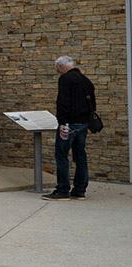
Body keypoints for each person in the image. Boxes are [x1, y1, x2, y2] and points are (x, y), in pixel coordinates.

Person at [44, 55, 96, 201]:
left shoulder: (66, 79)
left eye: (57, 69)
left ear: (61, 67)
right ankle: (79, 190)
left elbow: (63, 102)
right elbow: (93, 104)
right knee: (80, 156)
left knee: (61, 156)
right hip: (83, 124)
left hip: (69, 124)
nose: (58, 72)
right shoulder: (86, 80)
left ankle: (62, 190)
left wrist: (62, 123)